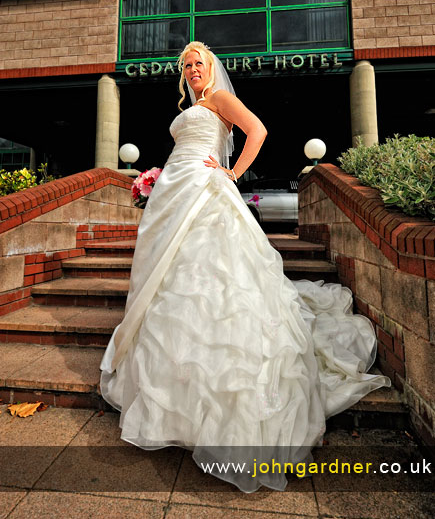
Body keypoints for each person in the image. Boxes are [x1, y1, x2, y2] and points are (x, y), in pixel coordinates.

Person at [100, 41, 390, 493]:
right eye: (188, 66)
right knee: (174, 279)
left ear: (211, 67)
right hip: (176, 190)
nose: (194, 70)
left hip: (206, 192)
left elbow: (257, 130)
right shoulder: (194, 103)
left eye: (199, 63)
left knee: (215, 280)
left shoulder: (218, 97)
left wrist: (232, 175)